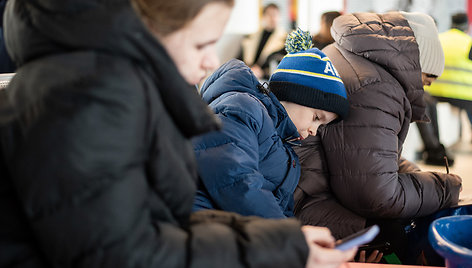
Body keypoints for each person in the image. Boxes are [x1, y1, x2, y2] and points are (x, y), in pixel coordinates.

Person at [0, 0, 356, 267]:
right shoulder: (84, 104)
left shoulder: (130, 98)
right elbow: (128, 254)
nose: (211, 62)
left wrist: (284, 240)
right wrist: (280, 249)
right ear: (148, 34)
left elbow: (164, 218)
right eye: (202, 45)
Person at [293, 11, 462, 262]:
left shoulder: (350, 57)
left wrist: (416, 175)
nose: (426, 88)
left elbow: (370, 153)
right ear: (417, 64)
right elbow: (376, 196)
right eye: (427, 80)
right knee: (400, 238)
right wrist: (446, 186)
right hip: (306, 206)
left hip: (306, 188)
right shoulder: (375, 87)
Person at [193, 28, 349, 220]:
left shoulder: (284, 147)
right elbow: (237, 179)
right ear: (294, 94)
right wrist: (291, 239)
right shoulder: (243, 109)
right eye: (316, 117)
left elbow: (281, 208)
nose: (314, 131)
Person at [417, 12, 472, 165]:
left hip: (435, 92)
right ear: (467, 26)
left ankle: (434, 148)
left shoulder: (440, 38)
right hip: (465, 95)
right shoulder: (468, 42)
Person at [239, 3, 287, 80]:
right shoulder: (251, 37)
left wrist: (262, 73)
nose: (273, 18)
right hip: (247, 73)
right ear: (263, 17)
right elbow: (239, 58)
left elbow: (281, 65)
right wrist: (249, 68)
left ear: (280, 17)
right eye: (269, 15)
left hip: (267, 78)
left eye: (275, 15)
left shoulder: (285, 40)